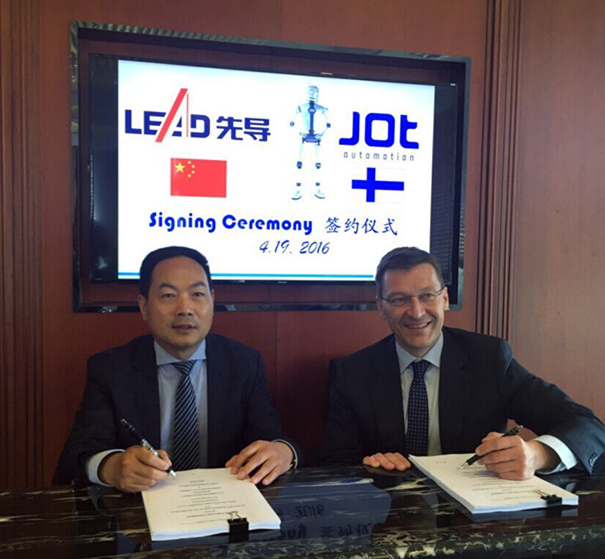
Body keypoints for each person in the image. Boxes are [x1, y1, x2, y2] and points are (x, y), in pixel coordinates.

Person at [319, 246, 605, 479]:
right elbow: (334, 464)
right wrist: (369, 466)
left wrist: (536, 455)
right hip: (391, 518)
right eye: (399, 300)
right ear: (381, 307)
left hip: (475, 518)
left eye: (427, 295)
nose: (416, 312)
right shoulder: (352, 373)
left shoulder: (489, 359)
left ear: (445, 298)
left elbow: (585, 425)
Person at [54, 246, 298, 492]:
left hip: (225, 506)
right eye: (168, 295)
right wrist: (112, 467)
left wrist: (283, 451)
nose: (185, 308)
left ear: (212, 300)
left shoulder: (244, 363)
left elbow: (272, 438)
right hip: (140, 509)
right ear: (143, 306)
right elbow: (77, 457)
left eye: (197, 294)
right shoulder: (111, 369)